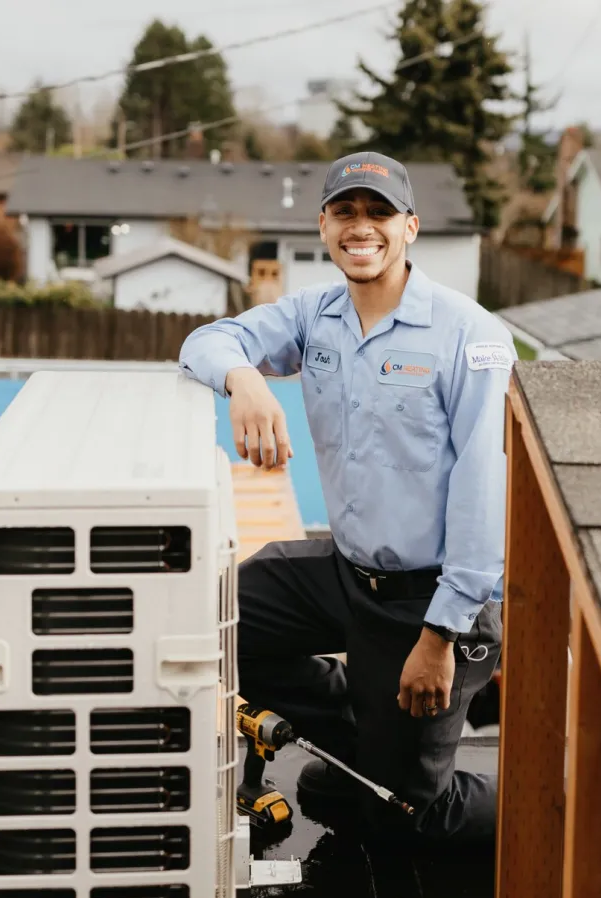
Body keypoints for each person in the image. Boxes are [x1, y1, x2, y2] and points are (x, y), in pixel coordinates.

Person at [180, 151, 516, 844]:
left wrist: (440, 635)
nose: (362, 227)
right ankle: (361, 730)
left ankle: (565, 808)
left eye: (379, 213)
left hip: (435, 599)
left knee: (406, 816)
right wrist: (245, 381)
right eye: (347, 212)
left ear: (411, 227)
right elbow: (207, 341)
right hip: (348, 574)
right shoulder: (317, 316)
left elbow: (486, 494)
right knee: (218, 619)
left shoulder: (470, 336)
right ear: (324, 226)